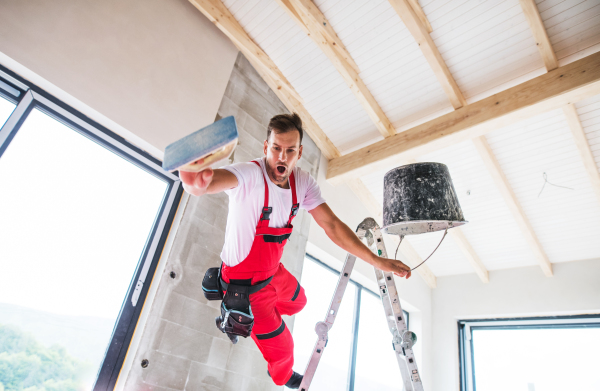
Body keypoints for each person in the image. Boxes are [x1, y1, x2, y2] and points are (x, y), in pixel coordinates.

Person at [179, 113, 411, 389]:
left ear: (299, 153)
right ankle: (280, 372)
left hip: (272, 273)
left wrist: (377, 261)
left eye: (290, 151)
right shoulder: (249, 175)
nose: (282, 157)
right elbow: (208, 183)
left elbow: (333, 226)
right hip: (247, 287)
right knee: (284, 348)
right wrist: (194, 180)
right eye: (276, 148)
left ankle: (258, 318)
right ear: (266, 147)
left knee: (298, 302)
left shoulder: (302, 184)